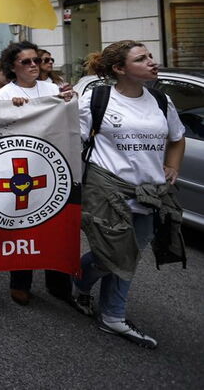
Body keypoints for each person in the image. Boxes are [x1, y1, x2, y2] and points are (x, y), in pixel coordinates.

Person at [71, 41, 185, 349]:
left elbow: (177, 138)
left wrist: (172, 166)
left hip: (149, 194)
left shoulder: (162, 100)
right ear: (120, 69)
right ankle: (80, 280)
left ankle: (112, 315)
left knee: (129, 256)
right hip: (107, 189)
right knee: (111, 255)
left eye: (150, 56)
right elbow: (68, 136)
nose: (152, 62)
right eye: (142, 59)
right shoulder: (97, 99)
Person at [0, 41, 74, 305]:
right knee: (23, 223)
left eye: (36, 61)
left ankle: (58, 280)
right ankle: (20, 281)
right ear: (12, 67)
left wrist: (70, 101)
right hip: (19, 166)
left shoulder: (52, 90)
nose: (33, 66)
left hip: (51, 165)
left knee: (55, 220)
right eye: (26, 62)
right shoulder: (3, 95)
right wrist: (11, 110)